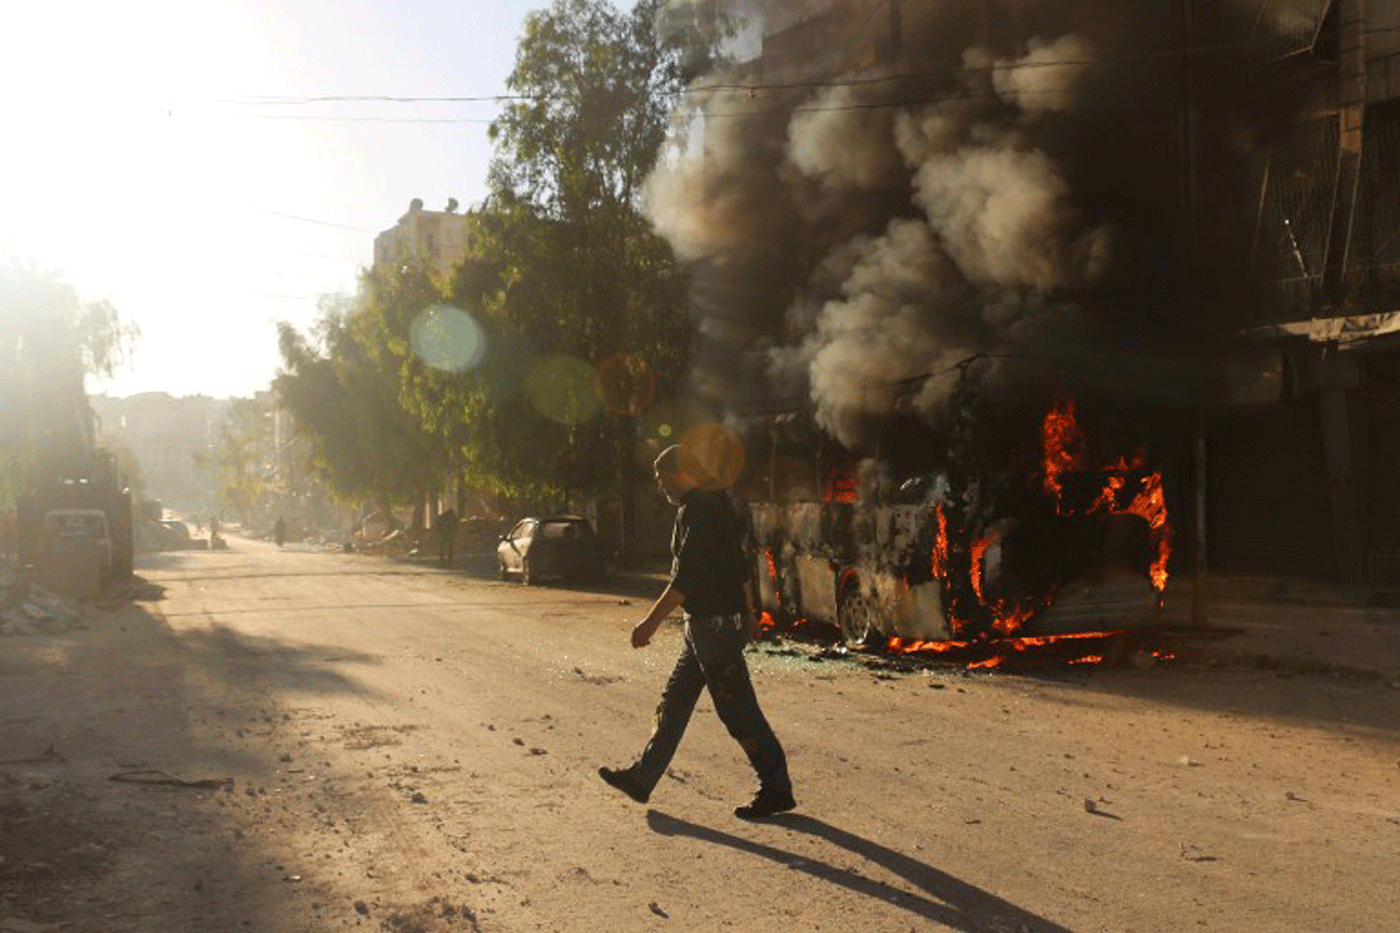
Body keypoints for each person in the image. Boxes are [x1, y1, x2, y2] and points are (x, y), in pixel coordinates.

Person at [598, 444, 795, 819]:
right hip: (706, 626)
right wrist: (750, 612)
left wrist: (650, 623)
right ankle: (643, 778)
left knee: (737, 710)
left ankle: (777, 788)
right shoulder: (712, 504)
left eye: (662, 479)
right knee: (674, 703)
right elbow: (738, 565)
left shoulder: (700, 509)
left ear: (679, 473)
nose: (661, 487)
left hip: (714, 626)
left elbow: (686, 575)